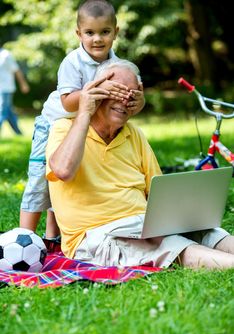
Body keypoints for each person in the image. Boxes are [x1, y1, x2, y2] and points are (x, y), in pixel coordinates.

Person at [46, 59, 234, 269]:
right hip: (97, 236)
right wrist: (84, 112)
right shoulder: (65, 128)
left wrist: (182, 217)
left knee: (209, 232)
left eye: (132, 94)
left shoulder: (133, 133)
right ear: (96, 91)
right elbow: (63, 170)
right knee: (168, 244)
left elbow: (158, 191)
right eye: (117, 92)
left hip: (143, 224)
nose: (125, 101)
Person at [19, 0, 145, 241]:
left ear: (115, 33)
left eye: (104, 32)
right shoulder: (72, 62)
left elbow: (132, 101)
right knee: (39, 179)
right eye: (90, 33)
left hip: (83, 127)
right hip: (53, 124)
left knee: (70, 180)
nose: (97, 39)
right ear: (79, 34)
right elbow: (67, 102)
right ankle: (25, 236)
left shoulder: (116, 65)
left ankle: (52, 236)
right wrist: (97, 89)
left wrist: (138, 101)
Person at [0, 45, 29, 135]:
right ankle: (18, 133)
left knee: (2, 111)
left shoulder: (5, 55)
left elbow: (16, 70)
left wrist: (23, 84)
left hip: (6, 88)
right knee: (8, 112)